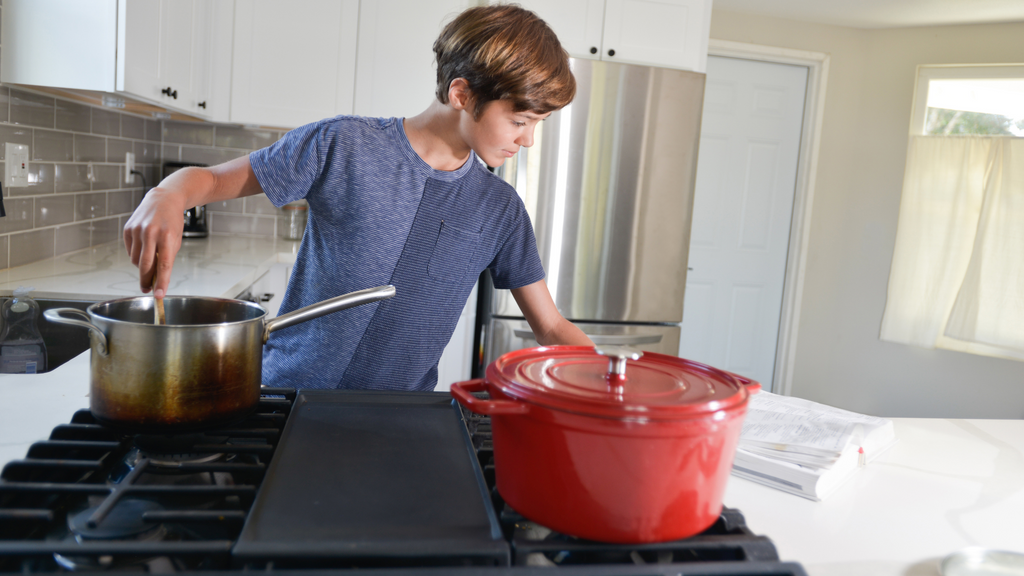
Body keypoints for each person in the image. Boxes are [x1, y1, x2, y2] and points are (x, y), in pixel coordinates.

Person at [122, 4, 593, 390]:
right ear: (462, 94)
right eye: (520, 121)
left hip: (392, 426)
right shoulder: (343, 144)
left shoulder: (500, 209)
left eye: (538, 124)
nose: (527, 140)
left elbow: (549, 327)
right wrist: (169, 192)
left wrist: (609, 377)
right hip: (284, 401)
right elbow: (210, 180)